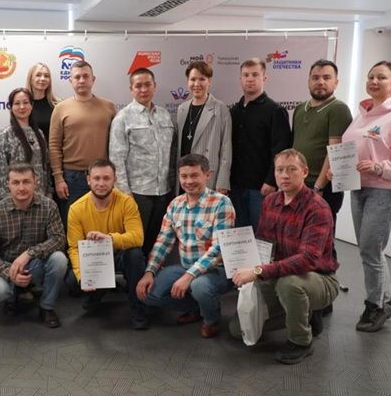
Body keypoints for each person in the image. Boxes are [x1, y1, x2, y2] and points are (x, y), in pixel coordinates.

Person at [230, 149, 340, 365]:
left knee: (289, 285)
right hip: (281, 273)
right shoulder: (270, 201)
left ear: (304, 172)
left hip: (318, 277)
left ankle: (301, 341)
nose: (285, 175)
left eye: (292, 169)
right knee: (237, 329)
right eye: (279, 170)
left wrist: (258, 272)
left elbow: (307, 259)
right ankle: (306, 314)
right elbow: (263, 243)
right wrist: (241, 264)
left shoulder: (317, 208)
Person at [136, 154, 235, 338]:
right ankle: (199, 307)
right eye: (184, 176)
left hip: (217, 270)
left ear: (207, 175)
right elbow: (163, 242)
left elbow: (218, 249)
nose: (189, 181)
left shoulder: (222, 203)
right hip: (185, 266)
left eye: (194, 175)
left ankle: (211, 320)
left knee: (199, 286)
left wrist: (189, 276)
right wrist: (149, 272)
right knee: (148, 293)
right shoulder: (175, 204)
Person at [340, 61, 391, 332]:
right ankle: (385, 298)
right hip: (357, 188)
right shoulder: (362, 113)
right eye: (371, 76)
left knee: (371, 249)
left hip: (381, 191)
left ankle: (376, 306)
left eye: (381, 77)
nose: (374, 81)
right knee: (369, 249)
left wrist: (379, 167)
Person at [0, 163, 67, 328]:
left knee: (59, 259)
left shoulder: (49, 206)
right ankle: (11, 297)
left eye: (26, 181)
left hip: (34, 264)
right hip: (5, 266)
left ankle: (46, 307)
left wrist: (29, 254)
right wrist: (9, 273)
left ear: (35, 182)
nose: (21, 187)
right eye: (16, 182)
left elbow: (58, 239)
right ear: (8, 184)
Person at [67, 159, 148, 329]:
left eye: (106, 178)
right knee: (73, 282)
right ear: (88, 180)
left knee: (135, 255)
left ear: (114, 180)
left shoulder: (127, 202)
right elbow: (74, 248)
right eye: (96, 178)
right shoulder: (76, 209)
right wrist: (82, 276)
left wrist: (109, 239)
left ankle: (138, 309)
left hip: (119, 254)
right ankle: (96, 294)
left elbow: (138, 238)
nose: (101, 183)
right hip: (93, 259)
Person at [109, 68, 175, 256]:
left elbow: (172, 154)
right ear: (131, 89)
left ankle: (152, 273)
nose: (143, 89)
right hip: (138, 194)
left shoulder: (165, 115)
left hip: (163, 192)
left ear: (155, 86)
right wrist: (125, 194)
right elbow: (116, 158)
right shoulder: (122, 118)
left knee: (157, 243)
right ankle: (135, 275)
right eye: (138, 86)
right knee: (135, 246)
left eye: (147, 84)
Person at [292, 60, 352, 257]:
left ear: (336, 82)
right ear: (308, 81)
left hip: (323, 188)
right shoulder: (300, 108)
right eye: (315, 78)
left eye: (327, 78)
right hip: (300, 185)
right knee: (297, 241)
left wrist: (318, 188)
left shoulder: (339, 109)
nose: (320, 82)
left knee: (322, 243)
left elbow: (334, 151)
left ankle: (325, 276)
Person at [49, 60, 116, 225]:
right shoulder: (60, 108)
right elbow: (54, 146)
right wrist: (58, 179)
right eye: (77, 77)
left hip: (102, 176)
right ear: (70, 80)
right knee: (73, 224)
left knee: (102, 224)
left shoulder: (109, 107)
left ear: (93, 79)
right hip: (72, 178)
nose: (81, 80)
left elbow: (117, 144)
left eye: (85, 76)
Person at [230, 58, 291, 230]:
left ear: (264, 78)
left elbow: (281, 150)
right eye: (246, 75)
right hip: (235, 186)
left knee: (262, 235)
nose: (250, 79)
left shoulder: (275, 111)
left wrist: (271, 181)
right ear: (240, 79)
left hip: (261, 187)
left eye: (255, 74)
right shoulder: (234, 111)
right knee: (239, 236)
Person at [176, 61, 231, 194]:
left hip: (207, 176)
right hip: (184, 177)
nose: (197, 84)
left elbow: (226, 148)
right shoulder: (182, 109)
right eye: (193, 79)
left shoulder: (220, 109)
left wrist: (222, 181)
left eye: (202, 79)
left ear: (209, 81)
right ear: (187, 81)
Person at [0, 88, 51, 200]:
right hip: (17, 199)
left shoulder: (39, 133)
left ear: (31, 105)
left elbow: (46, 166)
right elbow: (0, 172)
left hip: (40, 197)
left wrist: (49, 192)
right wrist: (7, 200)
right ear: (11, 107)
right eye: (17, 103)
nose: (22, 107)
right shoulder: (4, 135)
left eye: (25, 102)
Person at [25, 62, 60, 142]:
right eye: (38, 75)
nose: (43, 78)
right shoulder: (23, 106)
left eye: (46, 76)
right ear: (30, 79)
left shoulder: (57, 105)